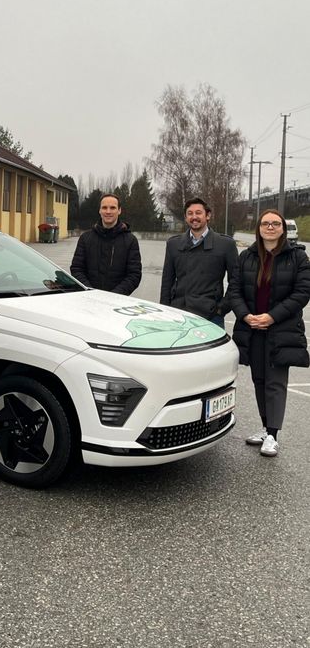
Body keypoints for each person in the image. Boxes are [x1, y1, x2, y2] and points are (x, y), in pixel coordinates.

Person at [226, 210, 310, 457]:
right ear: (259, 228)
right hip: (252, 329)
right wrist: (245, 315)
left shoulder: (298, 257)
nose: (270, 227)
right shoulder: (247, 256)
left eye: (275, 223)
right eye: (265, 223)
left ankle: (273, 435)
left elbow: (302, 293)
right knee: (259, 380)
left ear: (283, 228)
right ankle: (266, 428)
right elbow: (234, 290)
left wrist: (272, 316)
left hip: (281, 329)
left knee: (275, 383)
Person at [160, 197, 238, 327]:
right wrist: (165, 310)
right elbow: (167, 281)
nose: (194, 217)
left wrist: (221, 309)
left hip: (211, 317)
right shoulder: (173, 244)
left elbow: (236, 281)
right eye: (190, 213)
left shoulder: (226, 244)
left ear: (208, 215)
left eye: (198, 213)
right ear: (185, 217)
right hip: (178, 314)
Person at [70, 193, 141, 295]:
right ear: (99, 210)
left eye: (112, 208)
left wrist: (113, 296)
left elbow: (134, 275)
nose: (108, 211)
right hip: (89, 298)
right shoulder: (85, 238)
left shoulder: (130, 241)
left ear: (119, 210)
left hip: (116, 300)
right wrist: (91, 292)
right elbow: (77, 269)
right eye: (104, 208)